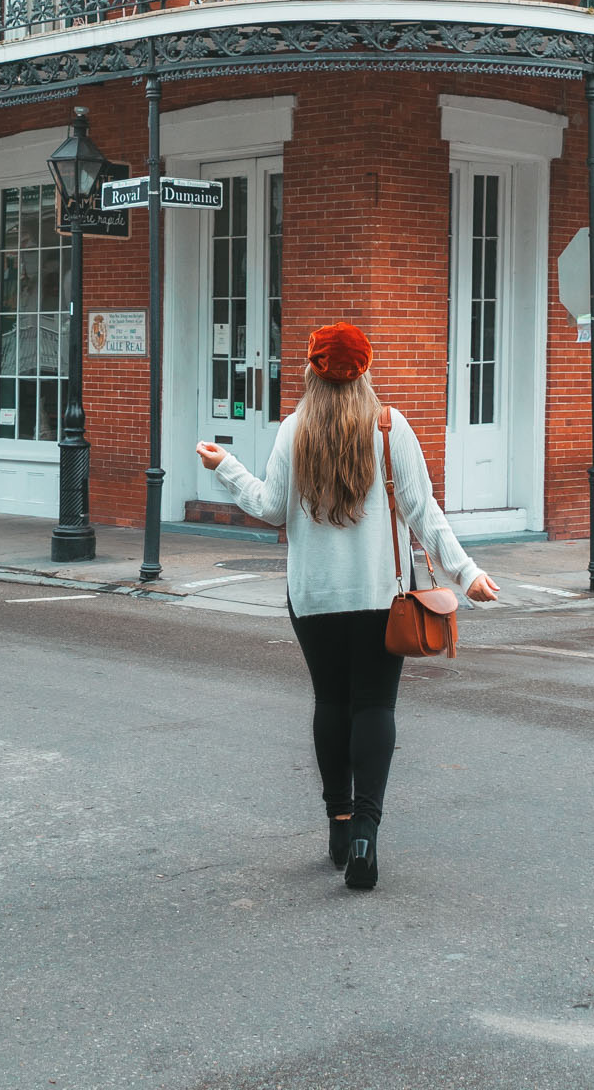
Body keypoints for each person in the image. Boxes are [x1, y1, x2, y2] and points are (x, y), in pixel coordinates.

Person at [198, 321, 498, 891]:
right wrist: (469, 573)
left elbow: (268, 507)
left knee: (330, 701)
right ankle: (365, 831)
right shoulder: (389, 427)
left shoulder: (294, 429)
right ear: (367, 370)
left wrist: (224, 467)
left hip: (313, 597)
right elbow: (423, 513)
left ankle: (337, 820)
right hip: (380, 596)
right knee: (374, 706)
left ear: (311, 370)